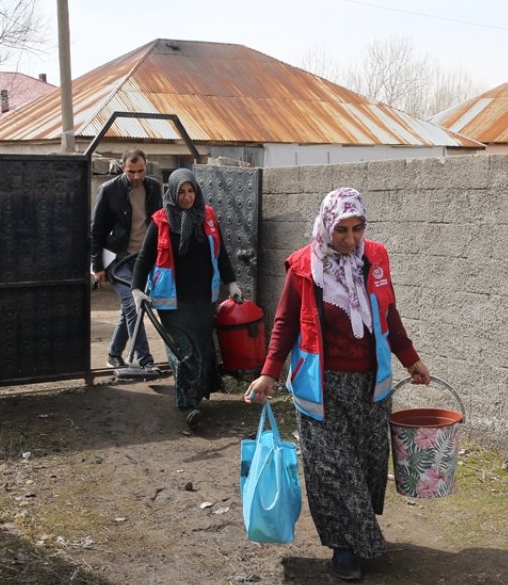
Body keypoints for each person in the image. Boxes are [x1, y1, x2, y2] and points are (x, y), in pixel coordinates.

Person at [244, 187, 430, 582]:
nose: (349, 240)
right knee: (332, 470)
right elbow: (285, 323)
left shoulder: (375, 259)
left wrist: (410, 358)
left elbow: (388, 313)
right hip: (321, 387)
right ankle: (345, 549)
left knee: (363, 464)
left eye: (357, 229)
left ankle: (356, 535)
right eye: (341, 230)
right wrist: (268, 371)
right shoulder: (303, 267)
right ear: (326, 227)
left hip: (371, 385)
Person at [131, 169, 242, 428]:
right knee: (185, 350)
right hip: (172, 300)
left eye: (191, 191)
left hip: (204, 298)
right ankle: (187, 404)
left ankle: (197, 394)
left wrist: (232, 283)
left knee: (203, 348)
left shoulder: (208, 217)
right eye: (181, 191)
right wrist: (137, 289)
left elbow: (221, 253)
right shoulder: (161, 221)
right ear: (172, 192)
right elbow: (144, 258)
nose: (187, 197)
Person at [90, 149, 163, 378]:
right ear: (122, 167)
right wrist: (97, 265)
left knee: (129, 308)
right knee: (134, 305)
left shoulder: (153, 187)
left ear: (146, 166)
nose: (137, 176)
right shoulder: (109, 190)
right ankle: (145, 361)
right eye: (131, 172)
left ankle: (113, 352)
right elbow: (96, 230)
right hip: (117, 259)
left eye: (141, 170)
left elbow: (159, 223)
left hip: (144, 258)